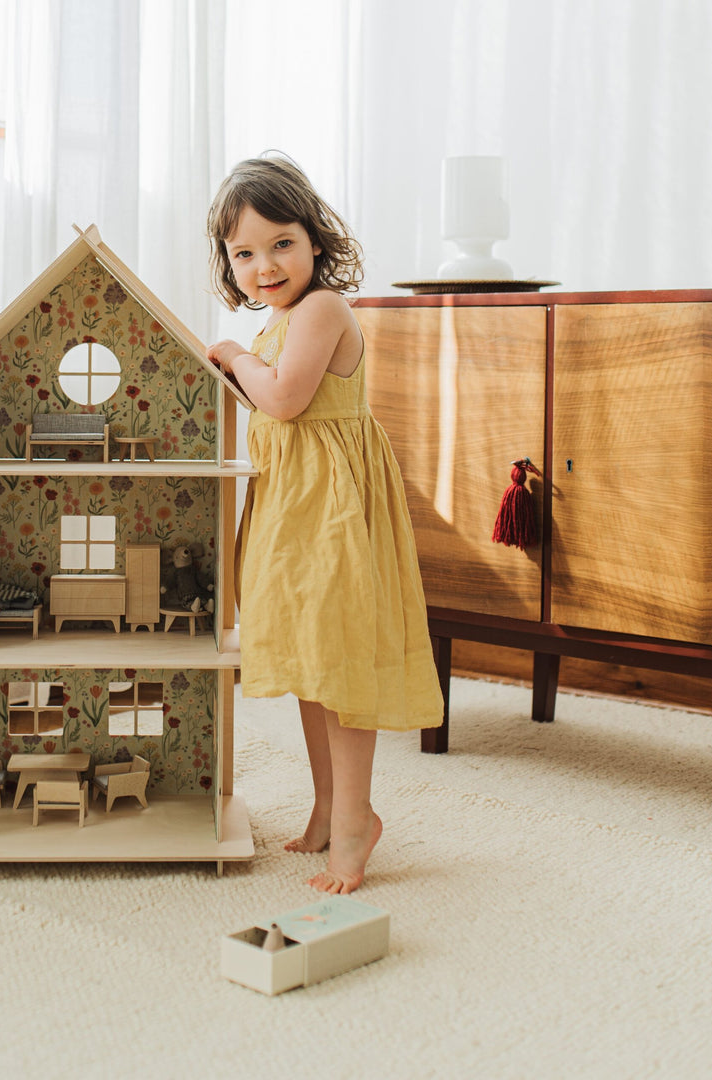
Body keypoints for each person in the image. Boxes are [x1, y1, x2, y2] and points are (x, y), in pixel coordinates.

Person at [205, 154, 444, 894]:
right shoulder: (280, 321)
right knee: (314, 664)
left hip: (332, 511)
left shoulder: (321, 310)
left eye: (280, 243)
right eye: (244, 252)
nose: (264, 264)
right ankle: (327, 807)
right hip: (290, 506)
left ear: (315, 239)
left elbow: (282, 400)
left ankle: (355, 823)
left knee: (339, 667)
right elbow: (275, 404)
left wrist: (235, 354)